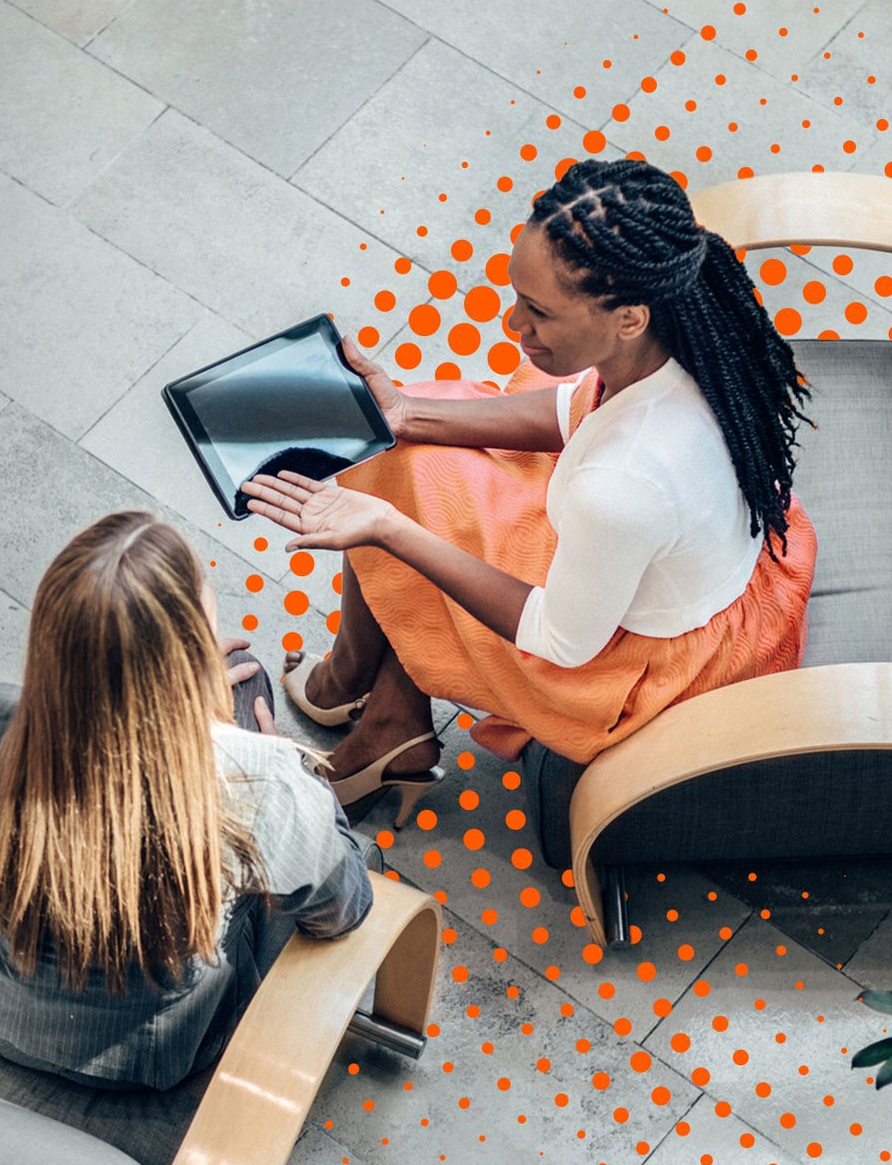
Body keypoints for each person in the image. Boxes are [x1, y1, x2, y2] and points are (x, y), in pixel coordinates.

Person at [242, 157, 818, 823]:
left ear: (627, 317)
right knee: (411, 437)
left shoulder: (624, 482)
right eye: (518, 296)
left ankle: (375, 711)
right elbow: (571, 410)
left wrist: (390, 531)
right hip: (665, 562)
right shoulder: (678, 336)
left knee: (402, 511)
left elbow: (560, 641)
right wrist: (408, 413)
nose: (514, 325)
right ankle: (371, 690)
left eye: (538, 312)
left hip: (627, 664)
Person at [0, 511, 374, 1091]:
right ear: (186, 654)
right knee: (249, 682)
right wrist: (287, 769)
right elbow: (343, 910)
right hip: (150, 1056)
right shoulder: (260, 782)